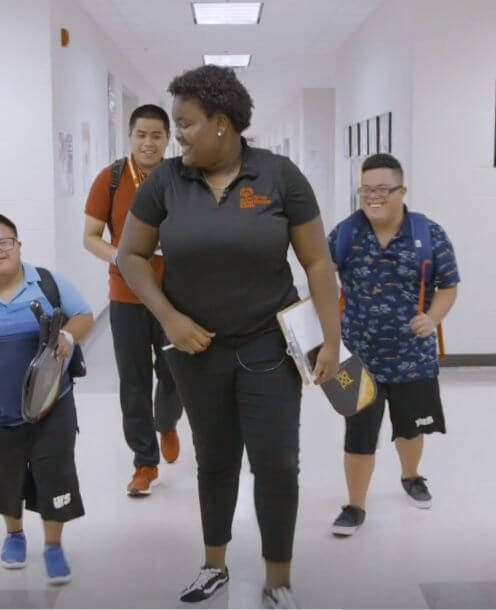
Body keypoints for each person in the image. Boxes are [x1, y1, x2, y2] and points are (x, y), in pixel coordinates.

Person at [117, 65, 340, 609]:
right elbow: (130, 255)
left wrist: (331, 340)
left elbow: (316, 262)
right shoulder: (167, 181)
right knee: (215, 460)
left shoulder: (278, 176)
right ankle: (213, 564)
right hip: (197, 350)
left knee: (277, 462)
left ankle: (277, 578)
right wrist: (169, 318)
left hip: (269, 344)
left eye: (186, 123)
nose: (177, 135)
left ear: (222, 123)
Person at [327, 153, 460, 536]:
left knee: (410, 429)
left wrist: (433, 318)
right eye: (366, 189)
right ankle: (354, 506)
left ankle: (411, 476)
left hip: (413, 358)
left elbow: (448, 286)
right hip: (356, 357)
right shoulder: (346, 233)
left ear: (402, 191)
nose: (373, 196)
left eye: (383, 189)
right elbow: (321, 275)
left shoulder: (429, 233)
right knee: (359, 431)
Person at [84, 104, 183, 496]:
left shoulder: (182, 179)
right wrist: (124, 257)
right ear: (130, 136)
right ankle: (144, 462)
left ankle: (167, 422)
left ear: (168, 139)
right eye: (141, 135)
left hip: (175, 297)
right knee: (133, 382)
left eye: (156, 135)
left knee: (175, 374)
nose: (148, 142)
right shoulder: (109, 179)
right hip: (126, 297)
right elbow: (90, 236)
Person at [0, 214, 93, 583]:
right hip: (2, 413)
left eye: (4, 242)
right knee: (6, 477)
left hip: (53, 404)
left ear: (19, 245)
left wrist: (68, 338)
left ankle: (53, 545)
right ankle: (14, 535)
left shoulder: (48, 283)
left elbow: (84, 315)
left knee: (54, 473)